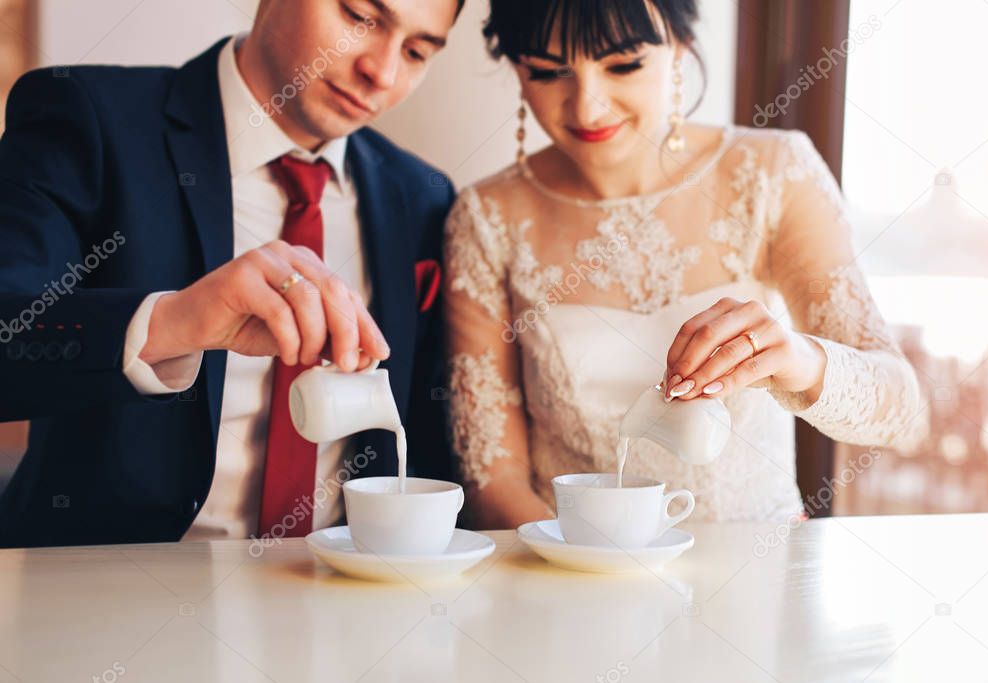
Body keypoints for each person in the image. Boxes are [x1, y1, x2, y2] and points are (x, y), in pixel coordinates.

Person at [444, 0, 925, 529]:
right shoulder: (486, 218)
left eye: (623, 64)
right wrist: (585, 575)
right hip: (574, 584)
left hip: (757, 581)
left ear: (679, 46)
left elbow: (901, 413)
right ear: (516, 68)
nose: (587, 107)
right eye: (547, 72)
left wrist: (796, 359)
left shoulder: (773, 173)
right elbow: (495, 479)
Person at [0, 0, 464, 548]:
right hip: (109, 592)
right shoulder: (87, 116)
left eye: (415, 52)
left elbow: (429, 436)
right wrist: (174, 322)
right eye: (359, 17)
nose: (381, 72)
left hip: (341, 595)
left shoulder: (420, 197)